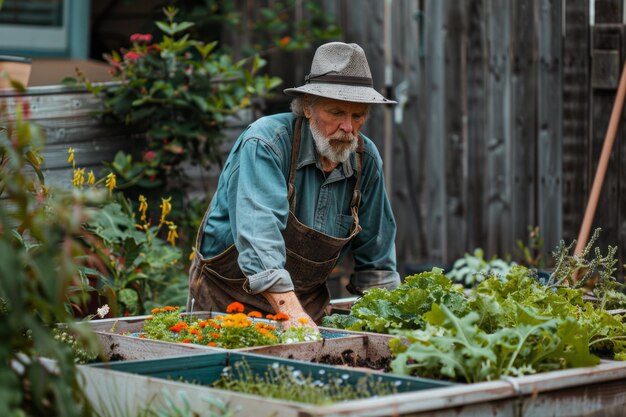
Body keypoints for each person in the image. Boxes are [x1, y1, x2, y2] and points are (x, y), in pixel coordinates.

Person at [187, 42, 400, 330]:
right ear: (308, 108)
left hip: (305, 308)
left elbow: (377, 261)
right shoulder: (266, 143)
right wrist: (294, 318)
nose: (348, 128)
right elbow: (259, 237)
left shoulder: (366, 159)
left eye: (357, 115)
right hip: (227, 306)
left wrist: (386, 326)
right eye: (336, 112)